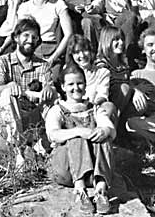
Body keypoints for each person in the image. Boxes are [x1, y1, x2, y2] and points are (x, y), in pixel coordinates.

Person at [46, 63, 116, 214]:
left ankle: (101, 190)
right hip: (67, 171)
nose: (76, 88)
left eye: (79, 83)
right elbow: (53, 134)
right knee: (76, 136)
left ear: (85, 85)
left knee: (103, 136)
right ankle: (80, 190)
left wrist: (105, 130)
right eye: (70, 84)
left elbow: (111, 130)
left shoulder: (94, 108)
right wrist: (78, 131)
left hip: (93, 172)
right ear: (63, 87)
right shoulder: (58, 109)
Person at [0, 18, 56, 145]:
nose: (30, 40)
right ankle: (16, 148)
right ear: (16, 38)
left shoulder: (43, 65)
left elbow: (49, 86)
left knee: (54, 99)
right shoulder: (3, 61)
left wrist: (49, 89)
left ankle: (49, 143)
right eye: (26, 35)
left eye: (34, 37)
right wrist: (8, 87)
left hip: (33, 120)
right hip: (9, 120)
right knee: (6, 93)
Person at [17, 0, 74, 78]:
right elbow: (19, 35)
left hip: (52, 51)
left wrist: (53, 57)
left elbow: (68, 34)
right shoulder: (25, 7)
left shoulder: (58, 5)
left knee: (52, 82)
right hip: (30, 49)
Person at [96, 26, 137, 132]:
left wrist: (136, 90)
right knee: (124, 88)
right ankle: (115, 129)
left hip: (122, 106)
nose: (121, 42)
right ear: (107, 41)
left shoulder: (123, 65)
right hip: (105, 104)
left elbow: (129, 84)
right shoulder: (101, 63)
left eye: (122, 39)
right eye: (116, 39)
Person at [65, 35, 110, 106]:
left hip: (94, 109)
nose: (82, 55)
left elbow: (102, 95)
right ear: (72, 55)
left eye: (85, 50)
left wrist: (91, 106)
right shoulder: (67, 73)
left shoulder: (102, 72)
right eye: (77, 52)